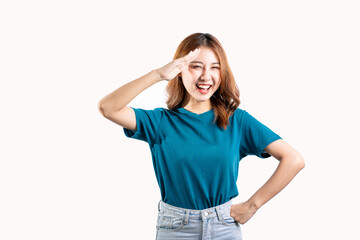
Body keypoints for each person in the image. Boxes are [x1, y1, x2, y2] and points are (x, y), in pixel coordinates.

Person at [98, 32, 305, 240]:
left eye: (215, 67)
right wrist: (158, 74)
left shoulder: (236, 121)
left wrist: (253, 205)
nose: (206, 76)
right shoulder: (160, 122)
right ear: (180, 70)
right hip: (176, 229)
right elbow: (108, 108)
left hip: (224, 227)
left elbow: (293, 160)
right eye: (196, 66)